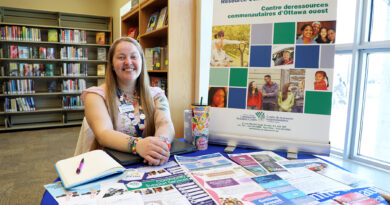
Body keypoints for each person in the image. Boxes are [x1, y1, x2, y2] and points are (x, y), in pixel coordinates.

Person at [74, 37, 175, 166]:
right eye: (121, 57)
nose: (128, 62)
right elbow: (103, 133)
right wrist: (138, 145)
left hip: (146, 162)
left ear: (141, 61)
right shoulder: (95, 95)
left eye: (134, 56)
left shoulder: (156, 94)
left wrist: (160, 147)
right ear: (111, 64)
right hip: (107, 165)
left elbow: (165, 123)